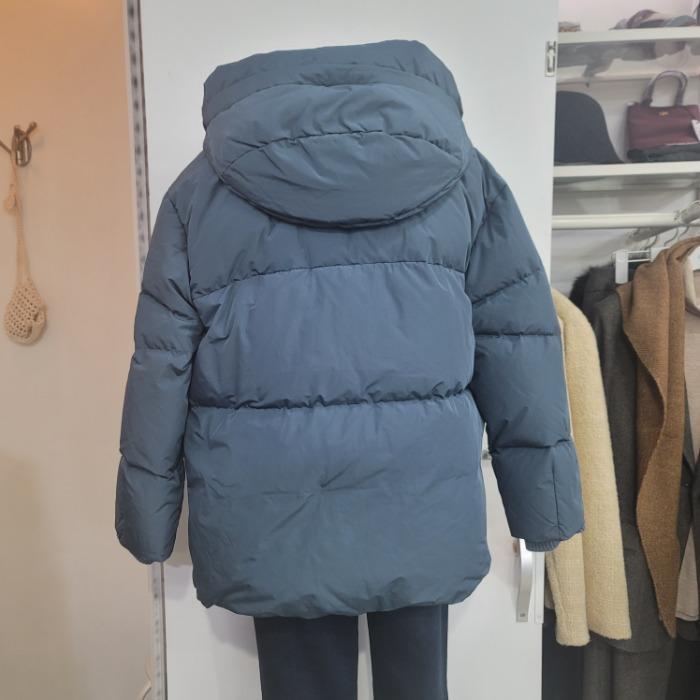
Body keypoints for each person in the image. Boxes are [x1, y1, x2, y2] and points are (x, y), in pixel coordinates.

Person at [115, 39, 584, 699]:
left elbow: (161, 360)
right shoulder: (465, 179)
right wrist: (544, 504)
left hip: (273, 506)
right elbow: (517, 341)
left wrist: (148, 518)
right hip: (421, 499)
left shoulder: (200, 192)